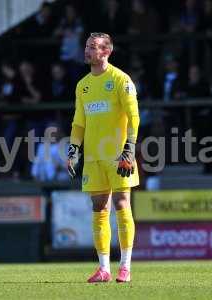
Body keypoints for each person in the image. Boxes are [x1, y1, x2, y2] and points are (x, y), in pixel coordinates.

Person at [68, 32, 139, 283]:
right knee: (99, 208)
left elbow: (134, 117)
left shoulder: (120, 79)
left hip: (119, 155)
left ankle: (126, 266)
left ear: (106, 51)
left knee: (121, 205)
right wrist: (73, 149)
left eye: (94, 47)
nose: (88, 51)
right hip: (94, 158)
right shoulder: (83, 85)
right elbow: (79, 123)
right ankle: (103, 268)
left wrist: (129, 149)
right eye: (87, 46)